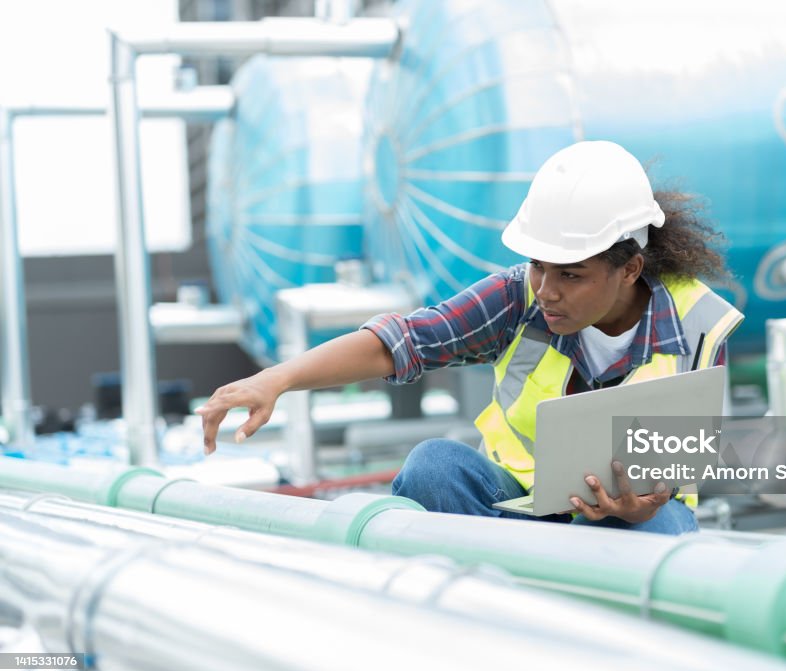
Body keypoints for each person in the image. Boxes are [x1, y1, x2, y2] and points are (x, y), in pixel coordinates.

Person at [197, 140, 742, 535]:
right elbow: (405, 341)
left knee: (663, 534)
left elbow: (667, 484)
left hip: (635, 524)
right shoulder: (517, 297)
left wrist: (636, 506)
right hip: (517, 510)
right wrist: (278, 379)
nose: (546, 291)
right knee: (435, 467)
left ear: (629, 269)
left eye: (570, 275)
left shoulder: (696, 326)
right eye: (538, 266)